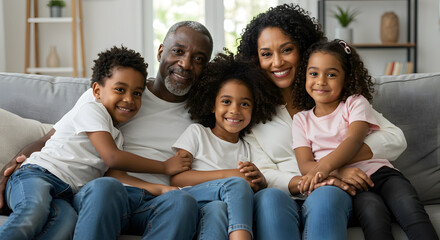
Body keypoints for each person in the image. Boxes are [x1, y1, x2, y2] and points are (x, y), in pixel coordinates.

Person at [0, 21, 216, 239]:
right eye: (178, 51)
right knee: (106, 187)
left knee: (182, 201)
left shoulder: (206, 114)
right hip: (104, 193)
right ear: (161, 52)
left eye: (199, 59)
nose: (186, 64)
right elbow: (50, 139)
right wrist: (13, 166)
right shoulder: (106, 97)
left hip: (154, 200)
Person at [236, 4, 407, 240]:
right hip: (287, 194)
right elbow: (264, 172)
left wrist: (334, 167)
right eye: (266, 54)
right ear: (255, 60)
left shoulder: (328, 94)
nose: (277, 62)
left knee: (327, 194)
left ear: (303, 51)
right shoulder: (249, 110)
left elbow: (394, 138)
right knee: (267, 197)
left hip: (334, 196)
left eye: (286, 50)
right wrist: (323, 176)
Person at [291, 39, 438, 240]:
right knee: (373, 215)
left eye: (332, 74)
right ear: (304, 76)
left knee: (411, 211)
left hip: (382, 175)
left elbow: (354, 140)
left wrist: (324, 167)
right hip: (355, 186)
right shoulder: (301, 120)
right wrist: (338, 172)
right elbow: (305, 164)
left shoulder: (355, 103)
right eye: (313, 73)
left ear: (347, 78)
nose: (321, 81)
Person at [170, 52, 281, 240]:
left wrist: (260, 182)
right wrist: (230, 176)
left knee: (218, 208)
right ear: (213, 105)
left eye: (244, 104)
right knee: (235, 186)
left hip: (219, 211)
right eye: (226, 102)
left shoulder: (248, 147)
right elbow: (176, 180)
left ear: (254, 109)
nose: (235, 110)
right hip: (194, 201)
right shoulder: (197, 133)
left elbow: (256, 185)